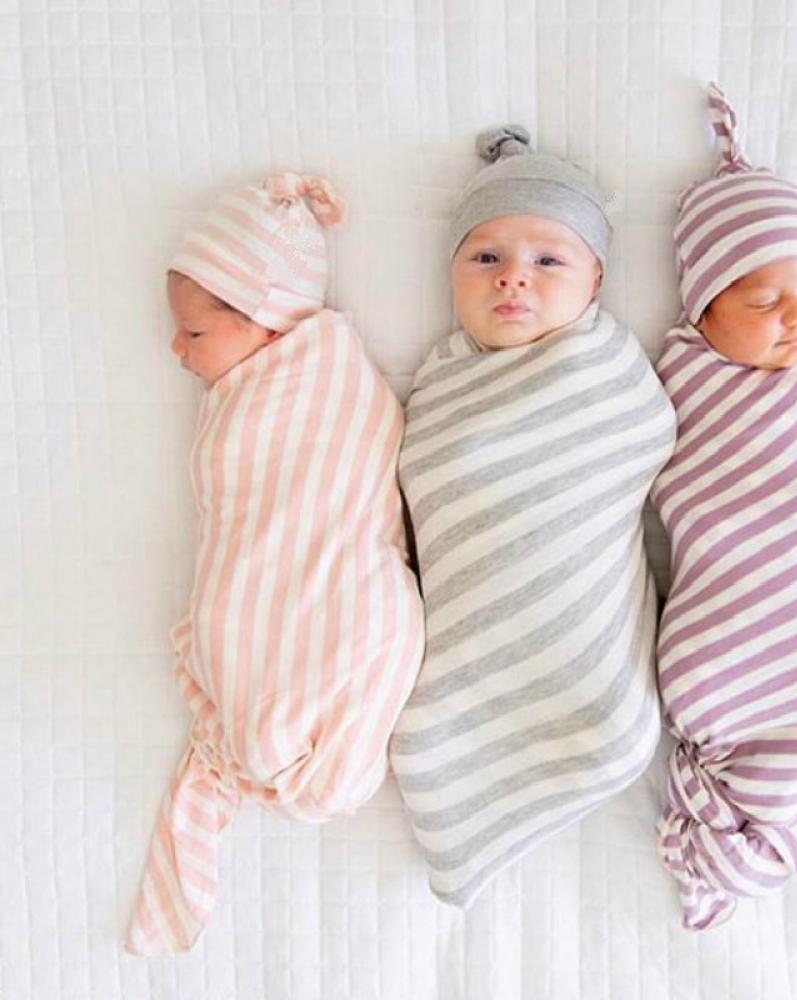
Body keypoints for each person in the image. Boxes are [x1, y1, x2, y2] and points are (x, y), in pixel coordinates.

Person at [126, 173, 425, 954]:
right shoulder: (249, 389)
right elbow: (243, 516)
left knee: (321, 618)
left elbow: (334, 495)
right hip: (269, 585)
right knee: (240, 633)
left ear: (260, 321)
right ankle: (272, 728)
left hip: (340, 584)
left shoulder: (327, 379)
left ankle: (284, 727)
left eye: (193, 333)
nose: (176, 350)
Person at [390, 127, 677, 907]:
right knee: (425, 740)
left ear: (597, 279)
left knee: (605, 722)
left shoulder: (605, 368)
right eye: (485, 257)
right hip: (472, 632)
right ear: (450, 274)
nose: (513, 277)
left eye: (549, 261)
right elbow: (430, 479)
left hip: (579, 645)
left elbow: (643, 438)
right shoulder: (441, 385)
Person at [652, 84, 797, 930]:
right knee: (717, 678)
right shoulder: (684, 379)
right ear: (702, 310)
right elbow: (686, 489)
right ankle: (741, 815)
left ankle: (749, 816)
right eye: (762, 301)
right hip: (731, 606)